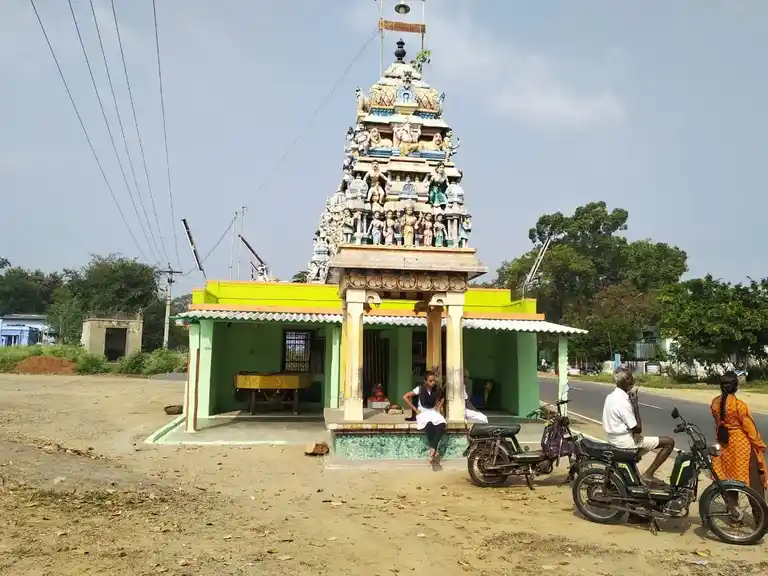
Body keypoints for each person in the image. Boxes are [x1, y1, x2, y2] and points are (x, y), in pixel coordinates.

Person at [602, 366, 675, 486]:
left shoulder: (611, 397)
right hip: (625, 442)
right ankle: (648, 475)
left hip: (613, 438)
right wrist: (635, 405)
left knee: (643, 440)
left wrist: (634, 432)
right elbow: (637, 428)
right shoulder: (623, 402)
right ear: (625, 382)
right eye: (630, 379)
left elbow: (629, 426)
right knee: (669, 442)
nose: (633, 381)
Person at [711, 372, 768, 498]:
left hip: (723, 445)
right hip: (741, 447)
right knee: (754, 482)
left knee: (728, 479)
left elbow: (718, 423)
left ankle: (733, 512)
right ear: (736, 387)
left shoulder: (715, 403)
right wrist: (760, 446)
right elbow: (750, 430)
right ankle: (760, 516)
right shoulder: (739, 405)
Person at [403, 371, 446, 466]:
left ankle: (432, 448)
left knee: (442, 422)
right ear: (425, 381)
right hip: (422, 412)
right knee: (429, 424)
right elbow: (405, 397)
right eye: (430, 381)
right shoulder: (420, 389)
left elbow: (443, 397)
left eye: (434, 381)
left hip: (432, 411)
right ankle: (433, 448)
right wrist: (415, 409)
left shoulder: (437, 389)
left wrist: (438, 408)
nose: (433, 383)